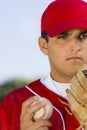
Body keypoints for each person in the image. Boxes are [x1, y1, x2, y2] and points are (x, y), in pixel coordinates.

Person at [0, 0, 87, 129]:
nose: (74, 46)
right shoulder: (15, 103)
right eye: (62, 36)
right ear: (43, 45)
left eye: (84, 36)